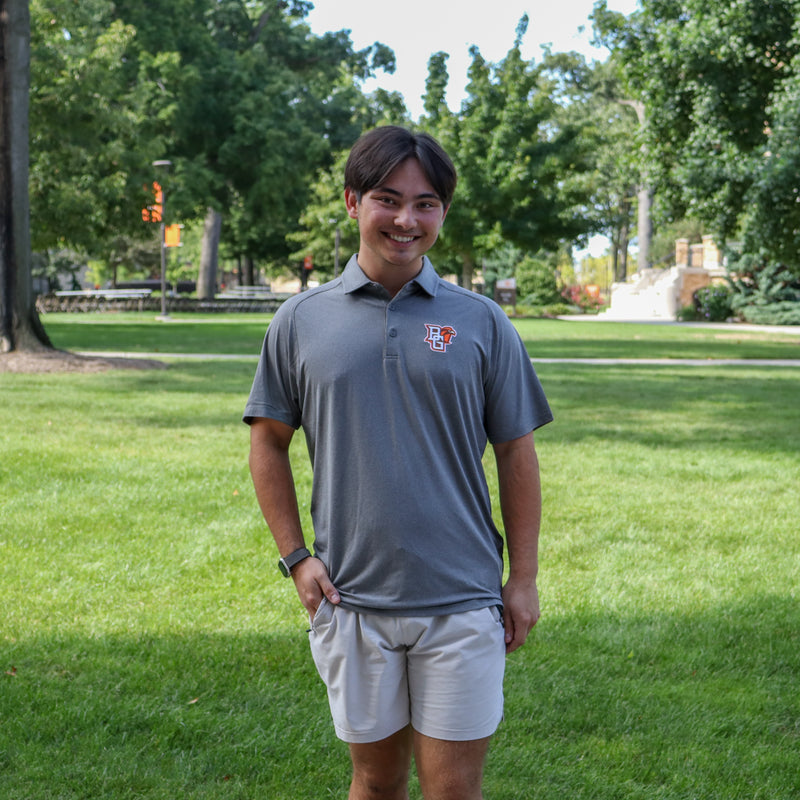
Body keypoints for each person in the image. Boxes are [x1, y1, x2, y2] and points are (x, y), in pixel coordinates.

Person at [244, 125, 553, 800]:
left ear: (442, 213)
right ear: (354, 203)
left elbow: (515, 451)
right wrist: (298, 557)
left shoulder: (481, 322)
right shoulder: (299, 321)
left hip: (463, 600)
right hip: (351, 598)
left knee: (453, 790)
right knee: (375, 783)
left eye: (426, 204)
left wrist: (522, 577)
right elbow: (267, 441)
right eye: (389, 199)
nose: (406, 220)